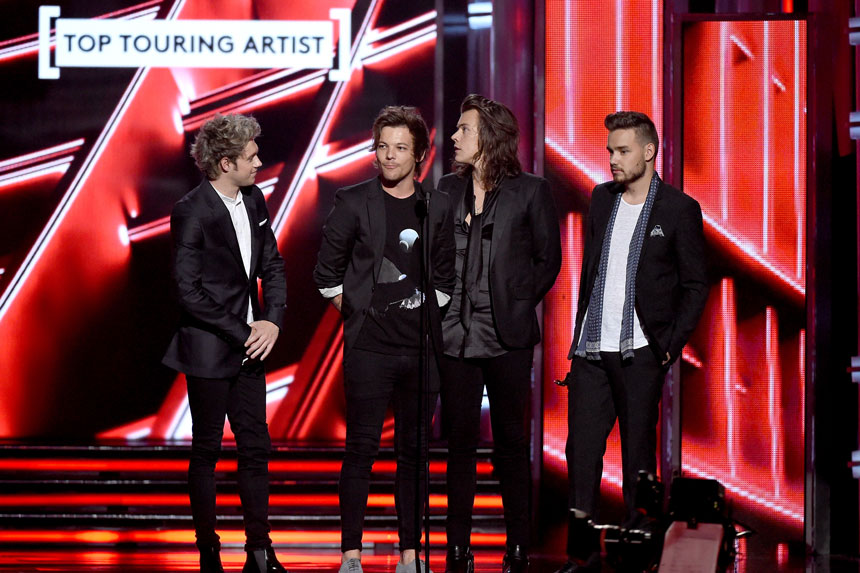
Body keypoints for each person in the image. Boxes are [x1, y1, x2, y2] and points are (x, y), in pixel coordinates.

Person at [555, 111, 709, 572]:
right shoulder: (601, 199)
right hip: (591, 352)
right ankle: (579, 557)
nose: (613, 160)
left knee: (638, 460)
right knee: (581, 454)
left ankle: (637, 558)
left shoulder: (679, 210)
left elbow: (695, 285)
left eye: (623, 151)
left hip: (640, 351)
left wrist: (668, 346)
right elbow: (593, 271)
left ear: (649, 151)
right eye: (610, 151)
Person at [314, 105, 456, 573]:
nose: (389, 155)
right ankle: (351, 555)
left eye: (400, 147)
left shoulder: (437, 205)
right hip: (369, 351)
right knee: (361, 450)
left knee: (414, 456)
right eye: (382, 146)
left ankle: (410, 555)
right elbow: (326, 274)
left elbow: (445, 277)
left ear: (419, 155)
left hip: (421, 352)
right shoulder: (353, 201)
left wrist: (421, 314)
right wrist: (360, 312)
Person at [438, 94, 562, 573]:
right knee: (460, 445)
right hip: (453, 333)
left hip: (506, 333)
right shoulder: (447, 188)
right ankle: (457, 548)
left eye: (464, 129)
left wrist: (516, 300)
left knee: (510, 443)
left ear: (488, 137)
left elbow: (548, 259)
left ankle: (517, 548)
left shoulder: (530, 191)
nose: (454, 137)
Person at [162, 113, 288, 573]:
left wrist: (272, 321)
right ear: (225, 162)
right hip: (211, 348)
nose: (259, 162)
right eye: (251, 156)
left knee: (256, 448)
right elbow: (189, 291)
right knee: (207, 450)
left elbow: (273, 265)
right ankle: (208, 551)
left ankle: (259, 552)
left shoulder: (255, 199)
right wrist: (245, 330)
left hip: (252, 346)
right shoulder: (192, 210)